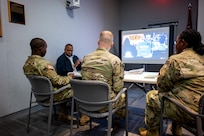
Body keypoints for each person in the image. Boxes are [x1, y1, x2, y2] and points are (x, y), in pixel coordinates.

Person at [139, 29, 204, 136]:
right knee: (177, 93)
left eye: (176, 42)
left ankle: (152, 133)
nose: (175, 45)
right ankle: (175, 129)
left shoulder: (176, 60)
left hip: (189, 112)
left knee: (151, 96)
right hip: (201, 111)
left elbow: (162, 86)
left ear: (183, 42)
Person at [23, 38, 75, 123]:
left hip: (38, 95)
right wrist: (69, 78)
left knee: (64, 86)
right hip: (51, 95)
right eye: (45, 48)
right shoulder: (44, 64)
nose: (45, 50)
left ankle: (63, 114)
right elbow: (57, 81)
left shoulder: (27, 64)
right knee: (75, 88)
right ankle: (84, 116)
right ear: (40, 48)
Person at [81, 30, 126, 126]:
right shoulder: (115, 60)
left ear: (98, 42)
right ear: (112, 44)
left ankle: (85, 116)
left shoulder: (85, 58)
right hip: (105, 104)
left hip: (85, 102)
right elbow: (118, 88)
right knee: (123, 95)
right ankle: (117, 120)